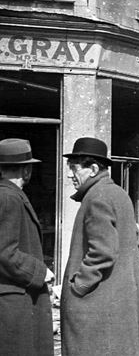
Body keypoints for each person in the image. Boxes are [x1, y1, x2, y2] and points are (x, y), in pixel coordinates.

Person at [60, 137, 139, 356]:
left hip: (98, 306)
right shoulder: (116, 193)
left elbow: (103, 251)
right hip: (117, 303)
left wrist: (79, 285)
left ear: (93, 169)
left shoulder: (97, 197)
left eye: (74, 169)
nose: (69, 175)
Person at [0, 138, 54, 356]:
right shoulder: (8, 198)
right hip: (13, 300)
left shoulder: (8, 195)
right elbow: (4, 251)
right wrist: (41, 272)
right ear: (26, 170)